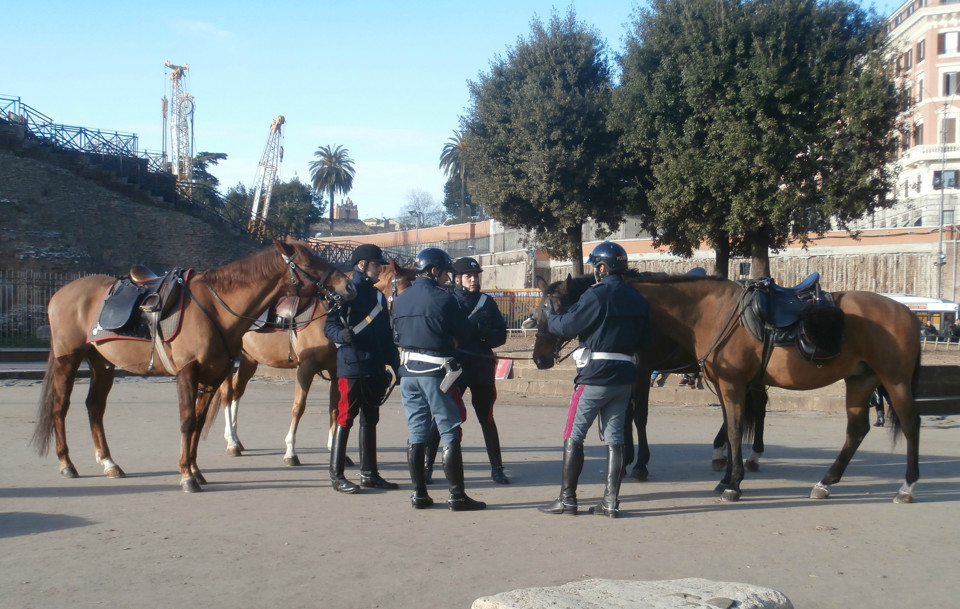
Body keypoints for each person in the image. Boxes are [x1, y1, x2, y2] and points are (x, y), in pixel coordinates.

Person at [538, 241, 653, 518]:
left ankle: (567, 500)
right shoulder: (637, 298)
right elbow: (646, 340)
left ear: (602, 267)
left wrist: (551, 315)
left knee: (573, 435)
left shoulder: (596, 294)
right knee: (615, 439)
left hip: (594, 376)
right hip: (625, 376)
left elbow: (567, 326)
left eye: (595, 266)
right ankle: (610, 502)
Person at [392, 247, 486, 511]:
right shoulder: (444, 298)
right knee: (450, 429)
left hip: (408, 372)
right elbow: (464, 333)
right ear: (433, 271)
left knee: (416, 431)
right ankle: (457, 495)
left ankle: (419, 494)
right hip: (436, 372)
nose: (447, 278)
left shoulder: (401, 298)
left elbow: (397, 333)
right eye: (445, 273)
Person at [324, 244, 401, 493]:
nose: (380, 269)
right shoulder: (346, 291)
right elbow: (329, 326)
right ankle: (336, 474)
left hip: (375, 366)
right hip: (352, 365)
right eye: (376, 265)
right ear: (361, 265)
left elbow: (386, 334)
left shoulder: (378, 296)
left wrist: (395, 363)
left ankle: (369, 473)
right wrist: (341, 334)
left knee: (370, 420)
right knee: (346, 418)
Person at [446, 256, 510, 484]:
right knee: (446, 417)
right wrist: (471, 328)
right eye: (468, 276)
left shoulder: (487, 302)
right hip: (457, 367)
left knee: (487, 418)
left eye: (475, 276)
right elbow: (445, 334)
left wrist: (485, 334)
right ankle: (427, 466)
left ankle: (497, 468)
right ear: (457, 279)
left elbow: (501, 335)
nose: (473, 280)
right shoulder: (449, 301)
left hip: (481, 367)